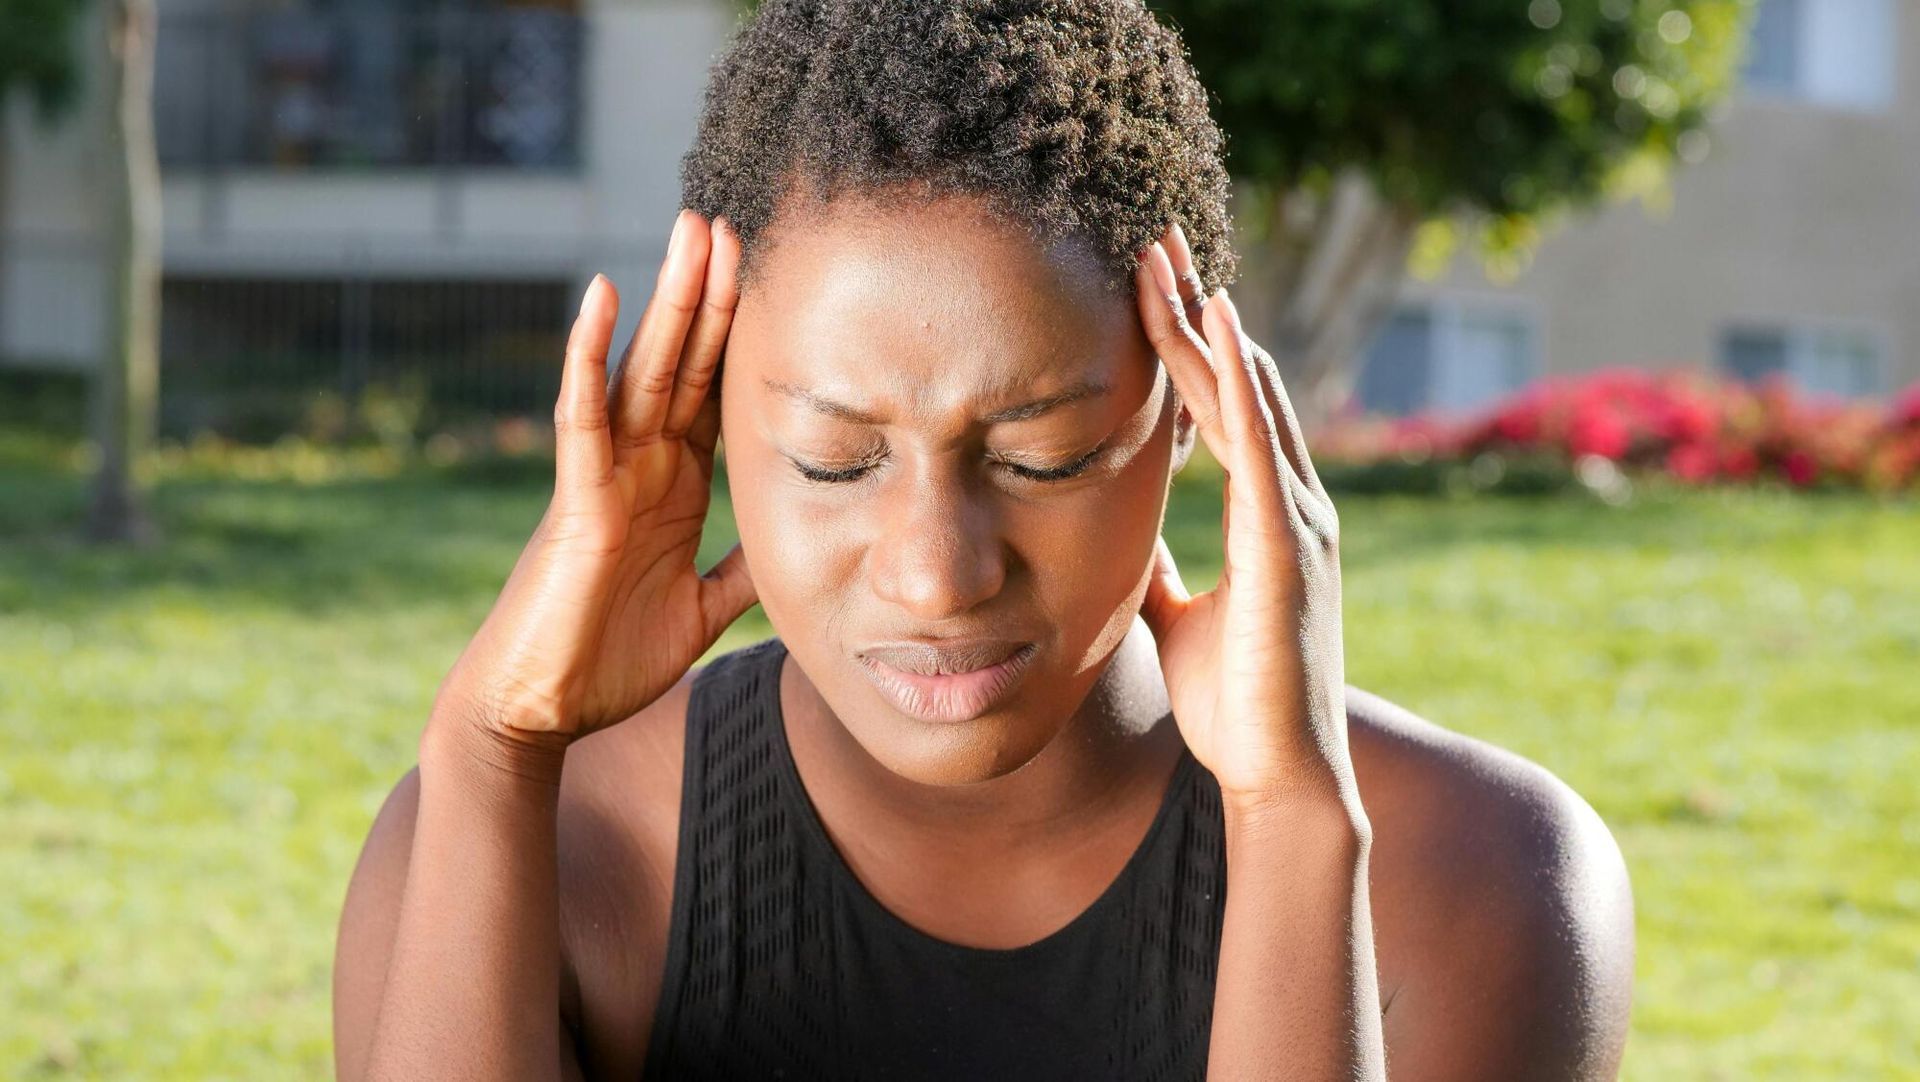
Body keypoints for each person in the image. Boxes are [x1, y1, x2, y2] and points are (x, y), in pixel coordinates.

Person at [332, 1, 1635, 1079]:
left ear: (1191, 412)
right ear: (707, 418)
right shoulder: (526, 845)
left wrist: (1293, 826)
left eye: (1040, 458)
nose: (940, 571)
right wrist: (490, 751)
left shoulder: (1476, 877)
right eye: (837, 460)